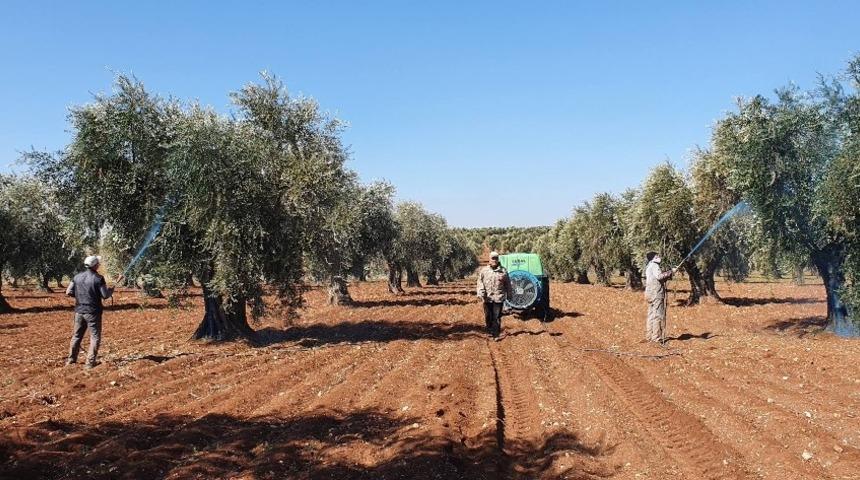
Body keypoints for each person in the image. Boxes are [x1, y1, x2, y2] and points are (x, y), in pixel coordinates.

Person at [65, 256, 122, 368]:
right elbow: (105, 295)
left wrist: (80, 297)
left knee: (76, 336)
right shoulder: (98, 278)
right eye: (98, 264)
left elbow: (68, 292)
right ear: (95, 265)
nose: (99, 265)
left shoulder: (77, 277)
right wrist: (113, 287)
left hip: (79, 311)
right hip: (93, 313)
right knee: (95, 337)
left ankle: (71, 360)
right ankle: (90, 363)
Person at [644, 251, 678, 345]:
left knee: (651, 315)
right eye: (657, 256)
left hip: (649, 293)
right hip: (656, 294)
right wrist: (671, 271)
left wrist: (670, 273)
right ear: (653, 258)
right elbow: (659, 277)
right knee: (658, 315)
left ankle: (649, 336)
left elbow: (658, 278)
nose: (659, 257)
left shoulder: (648, 266)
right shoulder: (654, 265)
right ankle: (656, 338)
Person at [477, 251, 512, 341]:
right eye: (493, 258)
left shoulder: (503, 271)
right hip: (487, 298)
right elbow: (480, 282)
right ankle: (489, 331)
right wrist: (480, 293)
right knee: (488, 316)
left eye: (496, 258)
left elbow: (508, 284)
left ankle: (496, 334)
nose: (494, 260)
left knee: (496, 317)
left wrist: (509, 295)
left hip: (498, 298)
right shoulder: (484, 271)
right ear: (489, 259)